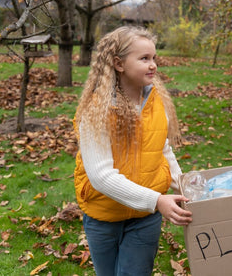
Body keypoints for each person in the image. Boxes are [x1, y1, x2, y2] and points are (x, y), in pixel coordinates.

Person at [73, 26, 193, 276]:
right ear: (118, 64)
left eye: (154, 58)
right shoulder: (96, 110)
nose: (153, 65)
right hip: (104, 216)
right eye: (144, 58)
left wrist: (183, 185)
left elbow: (163, 149)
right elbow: (101, 176)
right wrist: (157, 201)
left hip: (145, 218)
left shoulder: (155, 102)